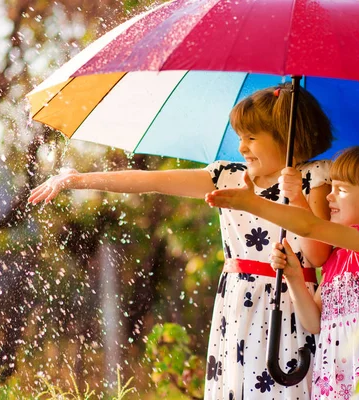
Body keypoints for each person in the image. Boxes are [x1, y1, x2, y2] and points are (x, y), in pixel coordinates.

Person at [28, 83, 334, 399]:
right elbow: (153, 182)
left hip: (291, 303)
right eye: (240, 137)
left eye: (252, 138)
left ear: (287, 137)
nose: (242, 147)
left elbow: (317, 254)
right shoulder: (226, 175)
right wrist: (77, 180)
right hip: (238, 303)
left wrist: (296, 195)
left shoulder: (315, 178)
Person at [205, 146, 359, 399]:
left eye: (341, 190)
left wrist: (253, 203)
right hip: (334, 379)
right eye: (330, 187)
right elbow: (313, 323)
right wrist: (294, 277)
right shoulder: (336, 258)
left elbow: (309, 227)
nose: (329, 197)